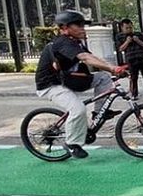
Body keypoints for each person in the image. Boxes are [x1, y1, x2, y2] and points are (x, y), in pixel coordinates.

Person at [34, 11, 128, 159]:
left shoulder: (75, 42)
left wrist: (113, 69)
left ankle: (99, 113)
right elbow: (84, 58)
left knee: (103, 77)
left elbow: (91, 58)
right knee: (78, 109)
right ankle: (71, 144)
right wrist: (112, 68)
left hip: (69, 80)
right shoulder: (62, 42)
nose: (82, 28)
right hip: (51, 85)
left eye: (83, 24)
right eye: (78, 25)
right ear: (64, 28)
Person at [116, 18, 143, 100]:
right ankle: (134, 94)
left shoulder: (138, 34)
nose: (129, 29)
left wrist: (138, 40)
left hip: (142, 58)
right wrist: (127, 42)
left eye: (130, 27)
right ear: (122, 28)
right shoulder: (120, 36)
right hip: (131, 59)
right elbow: (120, 49)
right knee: (133, 77)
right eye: (127, 28)